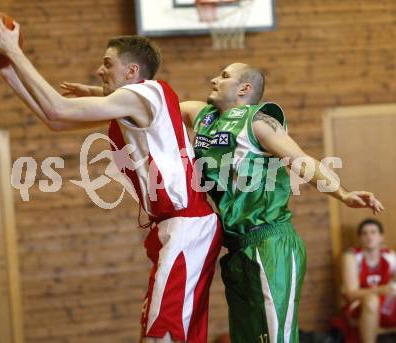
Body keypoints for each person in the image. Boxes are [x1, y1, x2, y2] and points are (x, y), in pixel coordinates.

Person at [60, 62, 384, 342]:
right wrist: (104, 92)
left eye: (224, 75)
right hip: (235, 247)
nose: (215, 79)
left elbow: (301, 159)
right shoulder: (202, 116)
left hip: (270, 241)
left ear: (244, 88)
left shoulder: (259, 121)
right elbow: (152, 105)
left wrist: (342, 192)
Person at [0, 15, 222, 343]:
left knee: (161, 334)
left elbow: (59, 109)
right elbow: (57, 121)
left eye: (108, 64)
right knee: (175, 333)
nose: (99, 70)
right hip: (176, 227)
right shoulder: (132, 106)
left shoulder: (144, 94)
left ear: (132, 72)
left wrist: (13, 52)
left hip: (187, 226)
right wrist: (6, 71)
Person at [340, 219, 396, 343]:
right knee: (372, 300)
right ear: (359, 238)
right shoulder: (351, 256)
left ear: (381, 237)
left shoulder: (390, 256)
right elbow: (351, 294)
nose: (369, 236)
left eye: (373, 232)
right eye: (364, 233)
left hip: (386, 304)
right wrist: (381, 290)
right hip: (359, 305)